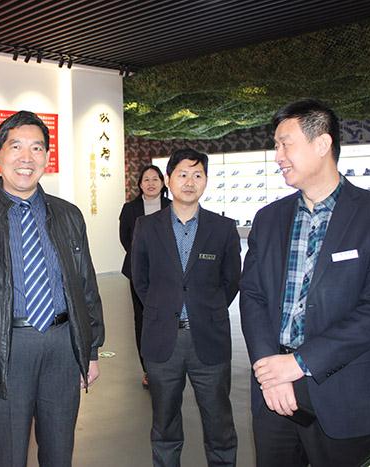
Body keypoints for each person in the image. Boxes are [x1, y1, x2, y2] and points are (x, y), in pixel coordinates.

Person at [240, 99, 370, 467]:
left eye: (285, 144)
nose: (278, 156)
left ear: (322, 144)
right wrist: (271, 371)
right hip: (274, 389)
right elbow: (252, 296)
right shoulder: (268, 219)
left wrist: (300, 362)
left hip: (345, 390)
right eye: (276, 145)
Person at [0, 110, 105, 467]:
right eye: (16, 147)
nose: (26, 158)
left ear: (47, 156)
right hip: (3, 349)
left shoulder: (68, 215)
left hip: (62, 346)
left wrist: (90, 350)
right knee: (6, 455)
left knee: (59, 452)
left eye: (37, 148)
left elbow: (86, 286)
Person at [132, 148, 240, 467]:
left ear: (206, 181)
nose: (189, 182)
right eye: (182, 174)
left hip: (209, 339)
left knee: (219, 426)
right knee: (164, 426)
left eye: (197, 175)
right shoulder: (146, 227)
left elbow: (231, 281)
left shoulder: (223, 228)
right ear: (168, 180)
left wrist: (206, 310)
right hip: (162, 340)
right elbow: (141, 281)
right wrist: (164, 309)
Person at [119, 164, 171, 388]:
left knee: (168, 316)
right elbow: (125, 238)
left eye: (155, 179)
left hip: (169, 272)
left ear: (162, 183)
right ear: (140, 184)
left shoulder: (171, 206)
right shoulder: (130, 209)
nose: (150, 183)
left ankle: (167, 363)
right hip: (139, 272)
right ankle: (148, 369)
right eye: (146, 179)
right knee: (142, 318)